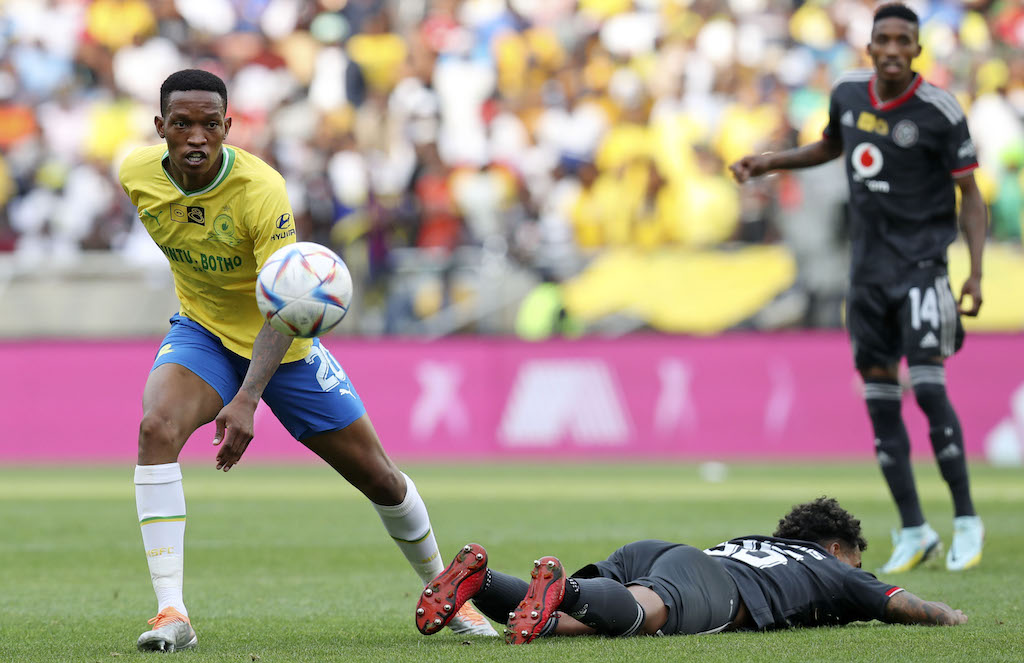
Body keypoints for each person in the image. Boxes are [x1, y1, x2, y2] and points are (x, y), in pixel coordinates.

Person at [118, 69, 497, 652]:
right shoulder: (136, 175)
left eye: (210, 125)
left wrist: (247, 398)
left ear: (227, 127)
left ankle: (451, 595)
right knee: (155, 429)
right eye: (182, 124)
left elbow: (286, 299)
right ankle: (172, 612)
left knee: (379, 477)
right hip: (204, 332)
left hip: (284, 342)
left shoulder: (260, 189)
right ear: (160, 126)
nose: (196, 136)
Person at [729, 3, 987, 573]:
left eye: (903, 40)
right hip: (866, 274)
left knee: (929, 389)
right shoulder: (847, 93)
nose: (892, 49)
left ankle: (967, 519)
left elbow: (970, 195)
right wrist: (768, 162)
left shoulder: (940, 110)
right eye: (883, 40)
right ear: (869, 47)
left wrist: (974, 271)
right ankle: (915, 529)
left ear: (916, 50)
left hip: (922, 268)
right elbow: (830, 145)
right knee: (880, 402)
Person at [414, 497, 968, 644]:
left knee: (561, 622)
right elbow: (898, 603)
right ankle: (566, 588)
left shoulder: (755, 542)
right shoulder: (832, 567)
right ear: (836, 546)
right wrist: (949, 616)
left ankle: (481, 582)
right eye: (857, 561)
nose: (860, 573)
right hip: (711, 582)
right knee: (643, 617)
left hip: (665, 554)